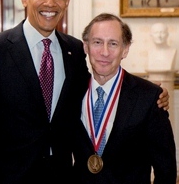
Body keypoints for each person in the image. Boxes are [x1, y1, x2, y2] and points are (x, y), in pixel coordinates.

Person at [0, 0, 170, 184]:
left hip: (61, 177)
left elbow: (97, 84)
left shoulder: (75, 50)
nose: (50, 3)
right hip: (9, 178)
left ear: (67, 2)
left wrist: (150, 93)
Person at [72, 13, 177, 184]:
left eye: (113, 44)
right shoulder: (72, 91)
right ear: (86, 47)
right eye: (97, 42)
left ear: (125, 49)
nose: (104, 52)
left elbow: (165, 168)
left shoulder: (150, 97)